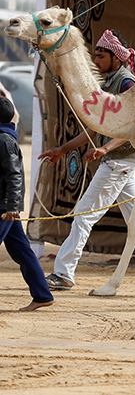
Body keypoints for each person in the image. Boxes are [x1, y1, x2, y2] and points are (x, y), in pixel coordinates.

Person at [39, 30, 135, 293]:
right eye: (95, 54)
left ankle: (63, 274)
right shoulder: (108, 84)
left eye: (101, 55)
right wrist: (62, 149)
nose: (96, 60)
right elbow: (95, 126)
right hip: (121, 163)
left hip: (120, 162)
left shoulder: (126, 84)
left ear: (116, 58)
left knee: (83, 215)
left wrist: (106, 148)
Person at [0, 96, 54, 311]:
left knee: (22, 252)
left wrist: (12, 206)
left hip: (4, 209)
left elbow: (14, 176)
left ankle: (42, 294)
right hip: (6, 208)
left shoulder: (4, 141)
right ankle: (42, 295)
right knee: (22, 252)